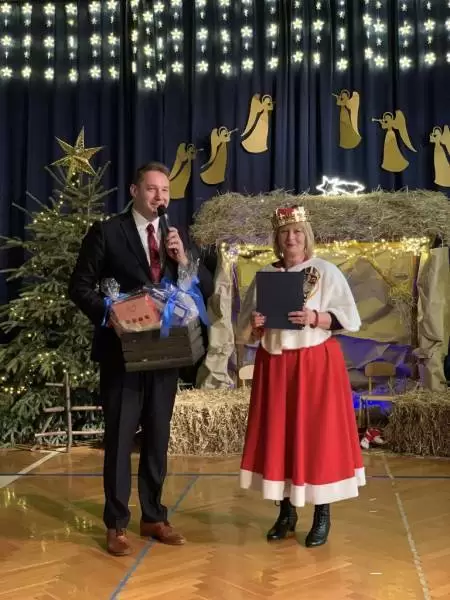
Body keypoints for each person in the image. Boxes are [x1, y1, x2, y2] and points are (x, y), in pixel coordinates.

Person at [68, 162, 213, 556]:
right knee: (119, 439)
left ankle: (154, 516)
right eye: (152, 189)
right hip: (122, 354)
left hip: (165, 353)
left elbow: (205, 286)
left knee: (157, 436)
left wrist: (184, 259)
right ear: (134, 191)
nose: (159, 197)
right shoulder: (106, 232)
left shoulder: (175, 235)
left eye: (165, 191)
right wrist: (110, 315)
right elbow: (79, 286)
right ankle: (116, 523)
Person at [237, 206, 365, 548]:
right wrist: (255, 325)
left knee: (318, 436)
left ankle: (322, 514)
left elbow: (349, 318)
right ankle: (286, 513)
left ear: (306, 236)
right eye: (284, 232)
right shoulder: (266, 273)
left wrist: (315, 317)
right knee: (280, 435)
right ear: (277, 238)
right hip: (275, 364)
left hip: (314, 363)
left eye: (296, 232)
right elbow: (246, 327)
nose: (290, 238)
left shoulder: (326, 271)